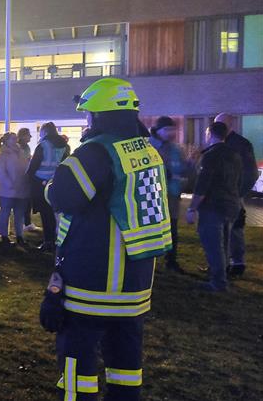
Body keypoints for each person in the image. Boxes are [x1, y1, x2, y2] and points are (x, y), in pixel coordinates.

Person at [40, 78, 172, 401]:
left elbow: (62, 195)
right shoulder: (148, 151)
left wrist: (50, 187)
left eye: (89, 115)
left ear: (99, 116)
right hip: (135, 289)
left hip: (92, 288)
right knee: (126, 367)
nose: (87, 121)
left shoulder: (96, 152)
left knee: (77, 368)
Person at [186, 122, 242, 292]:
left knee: (213, 246)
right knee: (224, 243)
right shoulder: (234, 155)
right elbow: (238, 181)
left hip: (213, 207)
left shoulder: (210, 156)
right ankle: (222, 276)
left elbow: (202, 186)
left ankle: (218, 282)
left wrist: (192, 208)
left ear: (209, 134)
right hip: (231, 205)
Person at [214, 113, 259, 277]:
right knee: (223, 230)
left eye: (219, 124)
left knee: (235, 229)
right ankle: (223, 263)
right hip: (222, 194)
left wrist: (239, 193)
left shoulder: (240, 145)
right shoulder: (226, 143)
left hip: (232, 194)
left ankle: (237, 264)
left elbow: (251, 172)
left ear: (229, 125)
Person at [149, 116, 189, 273]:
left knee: (172, 229)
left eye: (173, 129)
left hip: (171, 195)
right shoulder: (149, 147)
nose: (171, 133)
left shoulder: (176, 149)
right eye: (167, 129)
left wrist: (188, 168)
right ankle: (149, 261)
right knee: (151, 229)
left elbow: (183, 169)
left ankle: (171, 260)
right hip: (152, 195)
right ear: (158, 130)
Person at [27, 122, 70, 252]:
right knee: (55, 213)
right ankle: (56, 239)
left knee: (46, 215)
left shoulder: (43, 145)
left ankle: (48, 241)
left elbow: (33, 166)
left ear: (45, 132)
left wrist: (30, 177)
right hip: (56, 182)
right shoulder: (64, 146)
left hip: (41, 183)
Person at [0, 132, 29, 248]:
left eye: (16, 138)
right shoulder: (2, 154)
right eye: (12, 138)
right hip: (7, 190)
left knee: (19, 214)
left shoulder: (21, 153)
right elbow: (0, 172)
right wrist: (10, 185)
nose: (15, 140)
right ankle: (4, 236)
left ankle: (20, 236)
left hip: (20, 189)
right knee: (5, 212)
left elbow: (26, 168)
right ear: (6, 140)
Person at [18, 127, 41, 233]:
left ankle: (27, 222)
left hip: (26, 176)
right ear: (22, 136)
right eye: (28, 135)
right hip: (19, 176)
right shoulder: (18, 148)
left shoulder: (27, 147)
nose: (31, 137)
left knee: (27, 200)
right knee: (18, 201)